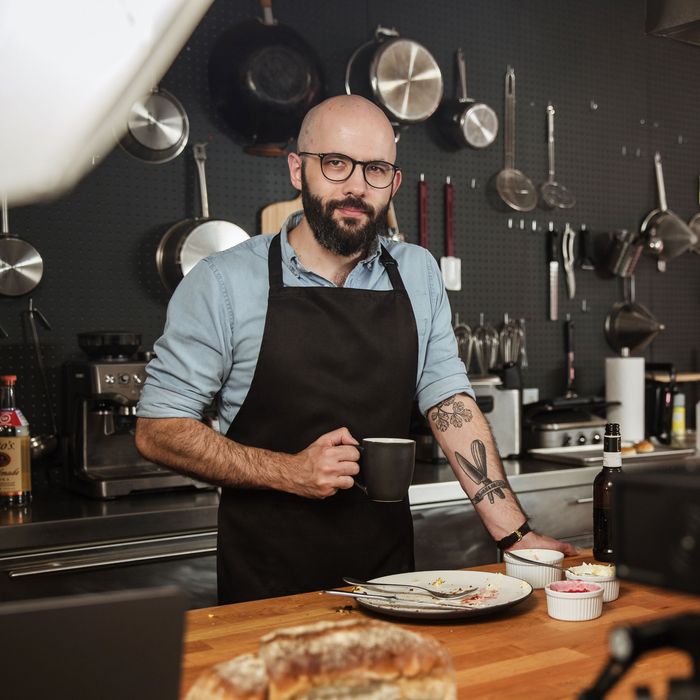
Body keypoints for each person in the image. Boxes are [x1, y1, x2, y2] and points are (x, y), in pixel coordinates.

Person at [135, 94, 576, 605]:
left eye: (375, 170)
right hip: (267, 586)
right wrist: (289, 472)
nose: (355, 188)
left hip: (392, 582)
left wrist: (515, 536)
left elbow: (448, 402)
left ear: (394, 181)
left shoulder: (417, 271)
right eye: (336, 164)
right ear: (299, 170)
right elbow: (158, 430)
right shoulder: (223, 282)